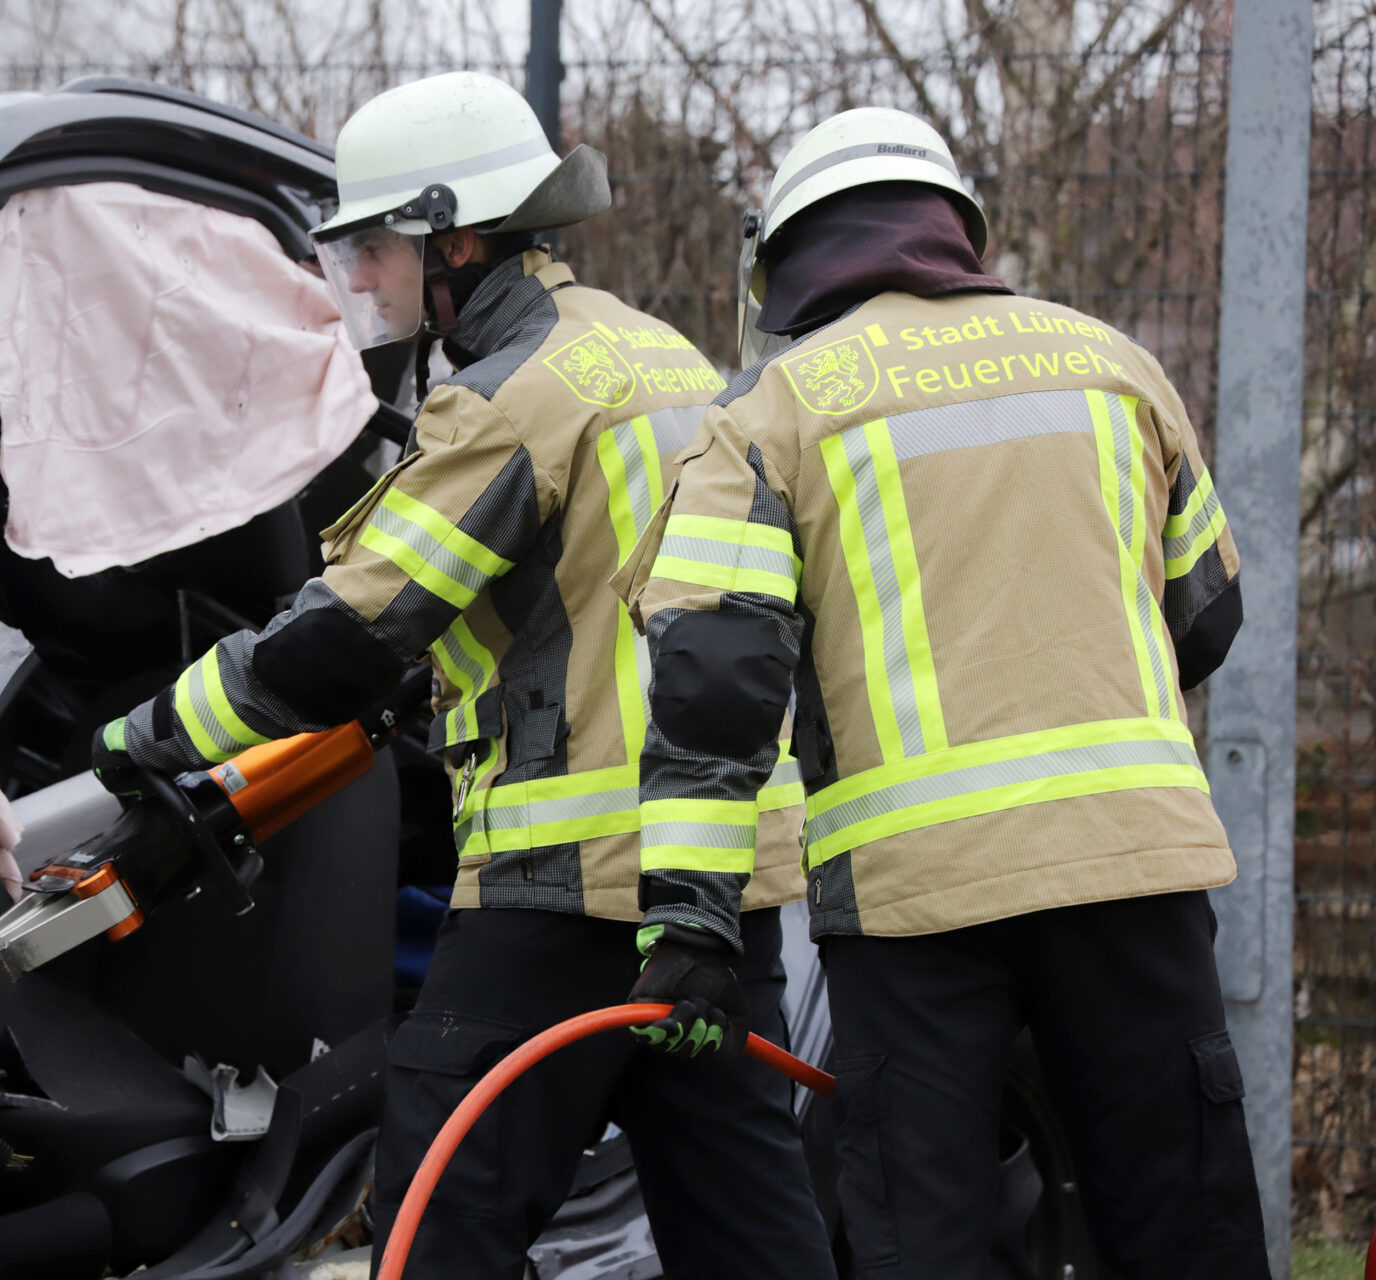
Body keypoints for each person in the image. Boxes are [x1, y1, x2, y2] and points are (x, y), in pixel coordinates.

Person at [92, 71, 835, 1280]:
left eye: (377, 248)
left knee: (439, 1227)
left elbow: (347, 629)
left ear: (460, 237)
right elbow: (587, 599)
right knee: (749, 1230)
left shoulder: (508, 396)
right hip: (714, 889)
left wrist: (151, 735)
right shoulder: (662, 355)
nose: (365, 280)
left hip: (564, 895)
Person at [621, 106, 1269, 1279]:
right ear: (959, 227)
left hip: (920, 909)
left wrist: (692, 920)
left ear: (783, 259)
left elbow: (714, 680)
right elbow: (1208, 610)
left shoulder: (774, 414)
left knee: (927, 1234)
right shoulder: (1113, 362)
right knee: (1181, 1222)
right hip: (1133, 871)